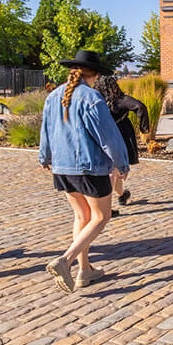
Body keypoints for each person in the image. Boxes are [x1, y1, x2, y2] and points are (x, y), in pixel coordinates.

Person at [39, 50, 129, 293]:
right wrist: (121, 163)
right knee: (101, 217)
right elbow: (108, 135)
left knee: (82, 217)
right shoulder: (92, 98)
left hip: (62, 167)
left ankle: (84, 270)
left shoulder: (53, 96)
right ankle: (66, 261)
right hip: (89, 167)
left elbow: (45, 130)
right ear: (96, 74)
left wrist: (44, 156)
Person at [93, 74, 150, 214]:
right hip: (121, 136)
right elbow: (140, 106)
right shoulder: (120, 99)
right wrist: (144, 127)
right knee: (114, 171)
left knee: (115, 170)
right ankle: (107, 207)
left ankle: (121, 195)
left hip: (102, 136)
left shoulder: (96, 100)